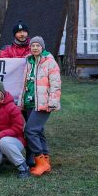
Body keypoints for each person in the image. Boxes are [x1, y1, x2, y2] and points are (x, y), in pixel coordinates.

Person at [21, 36, 61, 176]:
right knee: (39, 131)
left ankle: (40, 161)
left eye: (37, 45)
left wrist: (53, 101)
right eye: (32, 45)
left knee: (30, 131)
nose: (35, 48)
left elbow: (56, 83)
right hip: (30, 101)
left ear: (42, 47)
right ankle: (46, 161)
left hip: (43, 102)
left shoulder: (49, 62)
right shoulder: (29, 61)